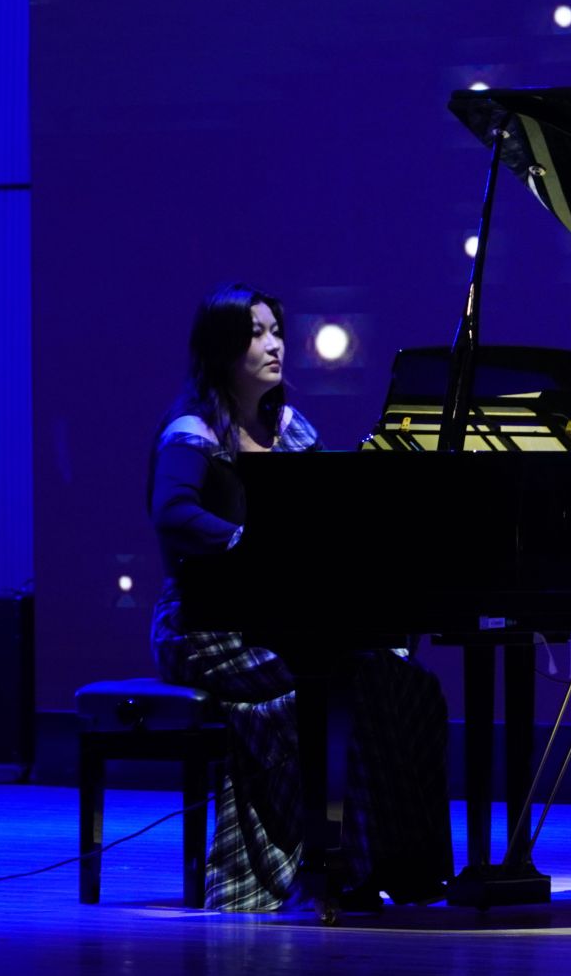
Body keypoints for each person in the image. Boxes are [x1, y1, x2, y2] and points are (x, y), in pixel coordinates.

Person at [146, 282, 452, 911]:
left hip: (282, 615)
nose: (274, 344)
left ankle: (397, 865)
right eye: (256, 333)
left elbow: (331, 513)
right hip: (207, 626)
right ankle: (325, 867)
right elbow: (171, 513)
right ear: (222, 348)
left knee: (404, 683)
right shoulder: (193, 432)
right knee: (340, 682)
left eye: (277, 331)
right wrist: (244, 541)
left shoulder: (291, 430)